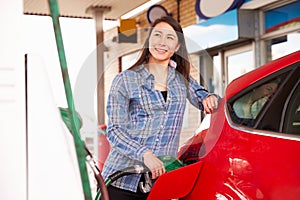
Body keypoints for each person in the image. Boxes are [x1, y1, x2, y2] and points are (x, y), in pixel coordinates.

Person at [102, 16, 219, 200]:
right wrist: (144, 154)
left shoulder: (182, 80)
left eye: (170, 38)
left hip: (159, 183)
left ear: (177, 47)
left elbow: (202, 96)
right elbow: (115, 130)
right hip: (122, 180)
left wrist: (209, 98)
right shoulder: (125, 80)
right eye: (158, 35)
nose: (162, 42)